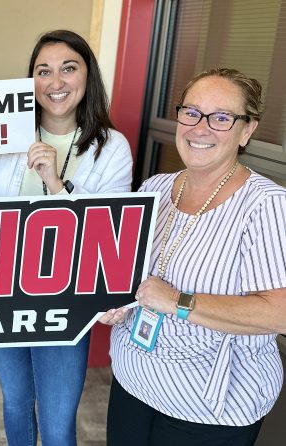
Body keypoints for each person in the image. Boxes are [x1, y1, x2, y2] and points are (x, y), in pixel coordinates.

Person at [0, 29, 133, 445]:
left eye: (68, 69)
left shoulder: (111, 146)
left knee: (59, 423)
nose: (56, 82)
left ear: (87, 76)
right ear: (31, 81)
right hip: (1, 293)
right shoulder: (3, 132)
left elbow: (110, 230)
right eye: (44, 71)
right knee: (15, 404)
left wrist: (57, 185)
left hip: (65, 303)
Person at [107, 68, 286, 445]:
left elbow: (278, 312)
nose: (200, 128)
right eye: (191, 112)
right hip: (132, 383)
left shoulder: (265, 205)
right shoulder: (154, 188)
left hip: (209, 409)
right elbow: (128, 276)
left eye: (221, 118)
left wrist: (178, 302)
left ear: (247, 129)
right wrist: (111, 304)